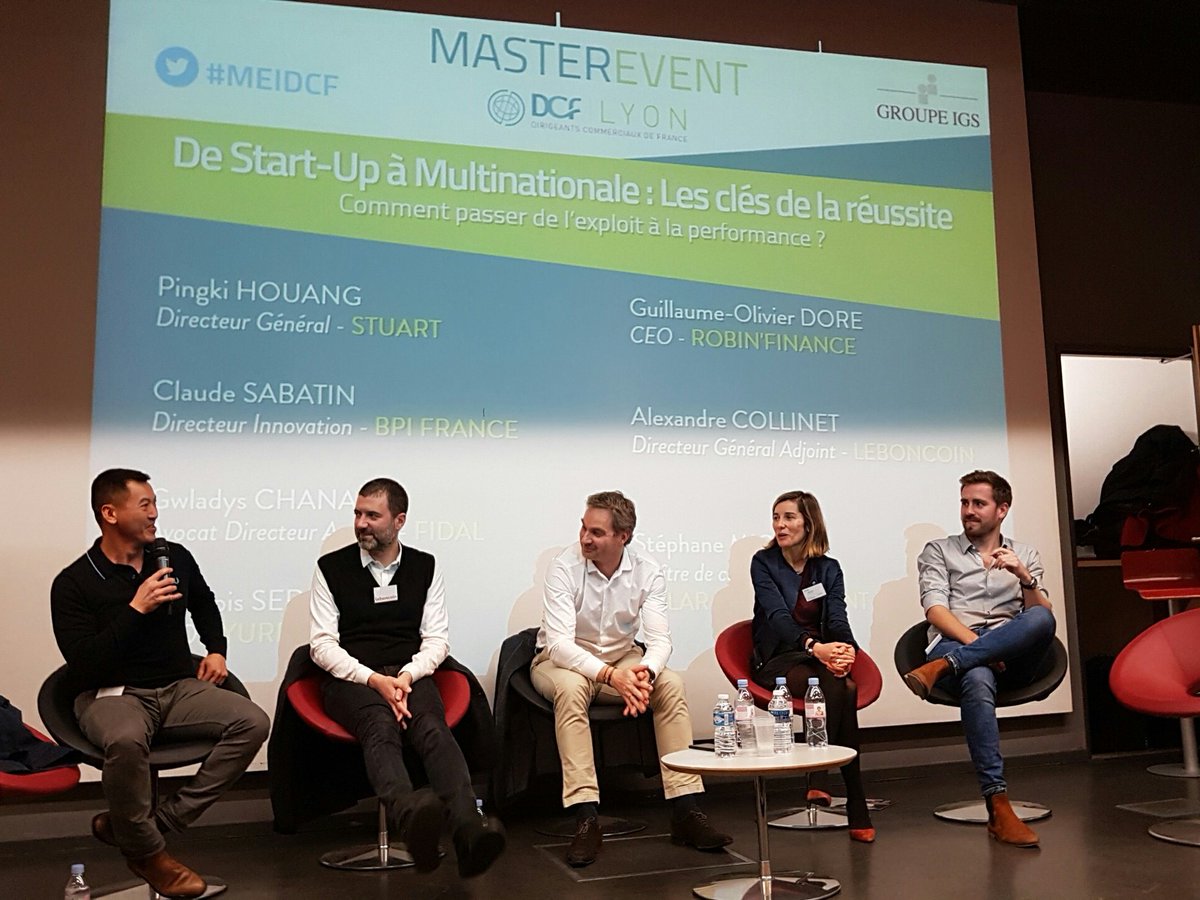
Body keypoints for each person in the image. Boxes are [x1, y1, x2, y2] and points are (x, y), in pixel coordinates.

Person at [50, 469, 269, 899]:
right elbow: (84, 663)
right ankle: (148, 854)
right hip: (112, 693)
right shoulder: (74, 582)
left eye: (155, 503)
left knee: (253, 722)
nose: (155, 514)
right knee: (126, 740)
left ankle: (156, 824)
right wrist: (136, 609)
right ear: (110, 513)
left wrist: (217, 649)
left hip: (177, 687)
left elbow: (204, 603)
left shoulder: (174, 557)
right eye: (145, 504)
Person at [309, 478, 505, 876]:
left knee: (432, 727)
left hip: (408, 673)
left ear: (399, 521)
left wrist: (406, 676)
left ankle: (469, 829)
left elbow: (436, 639)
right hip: (353, 678)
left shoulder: (425, 566)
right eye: (357, 514)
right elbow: (322, 645)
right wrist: (373, 680)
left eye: (372, 515)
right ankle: (410, 816)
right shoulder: (330, 568)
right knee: (378, 725)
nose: (361, 523)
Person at [532, 490, 732, 867]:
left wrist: (644, 674)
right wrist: (613, 677)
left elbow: (659, 641)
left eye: (596, 532)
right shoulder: (564, 567)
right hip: (563, 661)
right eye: (583, 528)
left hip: (623, 659)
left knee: (670, 684)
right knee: (572, 690)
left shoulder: (647, 569)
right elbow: (558, 645)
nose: (585, 538)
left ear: (623, 536)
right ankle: (586, 816)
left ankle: (686, 809)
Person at [902, 470, 1056, 848]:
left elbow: (1040, 615)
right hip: (957, 641)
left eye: (978, 503)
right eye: (964, 502)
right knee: (977, 675)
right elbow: (936, 611)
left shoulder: (1025, 554)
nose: (968, 510)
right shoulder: (939, 551)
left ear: (1002, 509)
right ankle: (998, 803)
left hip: (1010, 658)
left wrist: (1023, 575)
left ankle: (946, 667)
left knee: (1042, 617)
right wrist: (980, 649)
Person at [749, 490, 875, 842]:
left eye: (788, 517)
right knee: (838, 687)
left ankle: (823, 776)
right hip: (779, 656)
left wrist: (846, 652)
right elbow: (777, 617)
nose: (780, 525)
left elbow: (836, 617)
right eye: (776, 517)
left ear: (809, 523)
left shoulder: (828, 568)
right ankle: (848, 796)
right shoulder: (763, 562)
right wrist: (814, 647)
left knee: (843, 684)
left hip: (818, 656)